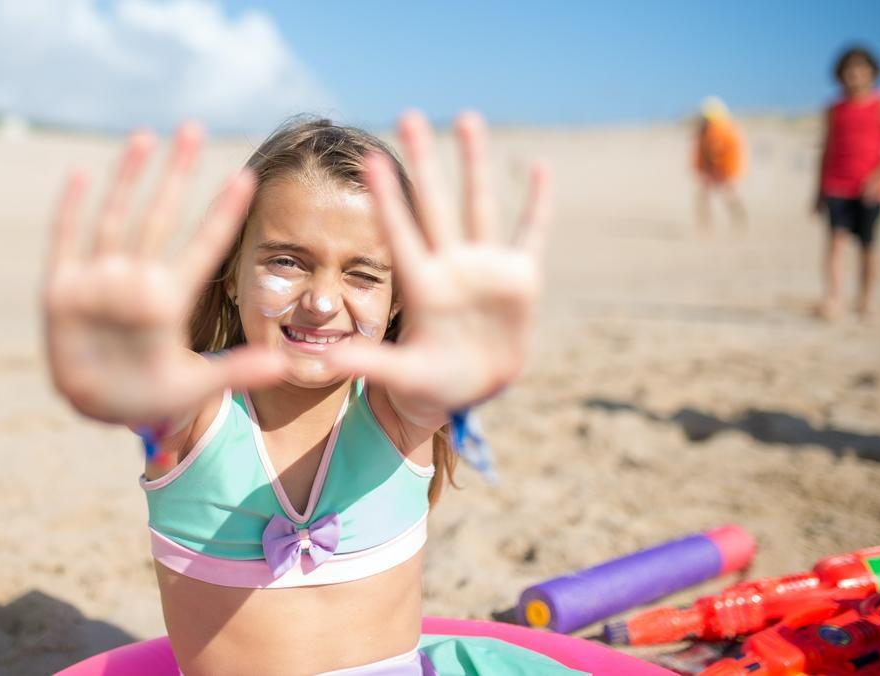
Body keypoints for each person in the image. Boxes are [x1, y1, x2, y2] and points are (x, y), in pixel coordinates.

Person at [42, 111, 570, 675]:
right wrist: (127, 371)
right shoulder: (194, 413)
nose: (320, 301)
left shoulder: (399, 411)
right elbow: (153, 394)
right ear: (232, 273)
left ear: (399, 300)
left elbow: (434, 391)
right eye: (287, 262)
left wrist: (464, 370)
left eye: (362, 275)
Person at [815, 45, 880, 320]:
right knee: (835, 243)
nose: (855, 76)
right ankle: (834, 298)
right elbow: (826, 149)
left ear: (872, 73)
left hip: (869, 188)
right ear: (840, 75)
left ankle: (865, 300)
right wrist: (818, 190)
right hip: (836, 184)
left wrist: (878, 177)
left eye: (861, 71)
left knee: (868, 247)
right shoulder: (834, 108)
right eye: (849, 71)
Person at [694, 96, 747, 231]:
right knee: (707, 196)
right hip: (717, 169)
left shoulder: (718, 130)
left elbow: (716, 152)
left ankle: (737, 218)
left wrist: (716, 170)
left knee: (727, 194)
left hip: (723, 169)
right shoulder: (711, 130)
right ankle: (707, 224)